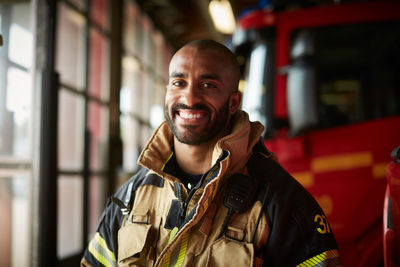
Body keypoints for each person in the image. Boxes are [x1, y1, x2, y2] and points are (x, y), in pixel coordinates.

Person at [81, 39, 340, 267]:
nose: (190, 97)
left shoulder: (281, 202)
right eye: (178, 82)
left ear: (233, 103)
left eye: (207, 85)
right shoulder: (132, 196)